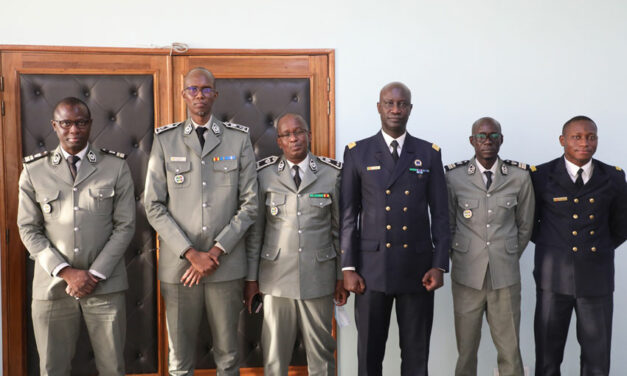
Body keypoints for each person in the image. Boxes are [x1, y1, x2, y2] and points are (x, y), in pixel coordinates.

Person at [144, 67, 258, 375]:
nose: (199, 95)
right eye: (192, 89)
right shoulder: (166, 141)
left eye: (206, 89)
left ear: (215, 95)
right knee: (179, 359)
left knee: (229, 357)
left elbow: (250, 204)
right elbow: (152, 204)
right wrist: (192, 254)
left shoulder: (238, 140)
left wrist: (217, 251)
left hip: (226, 266)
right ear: (183, 95)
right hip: (180, 269)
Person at [17, 97, 135, 375]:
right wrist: (68, 272)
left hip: (105, 286)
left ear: (90, 124)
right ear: (54, 126)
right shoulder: (34, 171)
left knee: (112, 368)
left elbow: (125, 226)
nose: (74, 129)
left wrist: (93, 274)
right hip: (52, 287)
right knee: (52, 368)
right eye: (66, 123)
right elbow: (27, 228)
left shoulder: (115, 167)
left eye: (81, 122)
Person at [340, 82, 450, 375]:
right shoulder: (357, 152)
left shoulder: (428, 153)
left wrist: (439, 265)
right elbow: (349, 215)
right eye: (389, 103)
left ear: (410, 109)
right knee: (369, 355)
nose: (395, 110)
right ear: (379, 107)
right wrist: (347, 267)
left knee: (416, 356)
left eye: (402, 104)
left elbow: (440, 215)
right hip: (370, 270)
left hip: (417, 270)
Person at [246, 113, 349, 376]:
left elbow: (340, 230)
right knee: (274, 355)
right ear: (279, 141)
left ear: (309, 135)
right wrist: (251, 280)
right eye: (287, 134)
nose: (294, 138)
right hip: (276, 278)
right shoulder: (264, 175)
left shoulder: (332, 174)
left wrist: (340, 276)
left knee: (322, 354)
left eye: (299, 132)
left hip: (319, 278)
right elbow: (256, 232)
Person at [531, 116, 626, 376]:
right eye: (577, 137)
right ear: (563, 140)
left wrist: (594, 249)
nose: (585, 142)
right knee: (548, 360)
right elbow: (529, 225)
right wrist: (556, 247)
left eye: (591, 137)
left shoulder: (614, 177)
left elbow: (620, 226)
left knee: (597, 360)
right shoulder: (540, 176)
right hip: (553, 280)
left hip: (596, 279)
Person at [445, 117, 535, 376]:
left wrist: (505, 255)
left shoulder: (519, 177)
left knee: (510, 351)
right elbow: (448, 226)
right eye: (481, 136)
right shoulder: (454, 177)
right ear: (472, 141)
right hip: (467, 278)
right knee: (466, 351)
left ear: (501, 139)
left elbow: (525, 226)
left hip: (504, 277)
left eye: (493, 136)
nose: (487, 141)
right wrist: (464, 256)